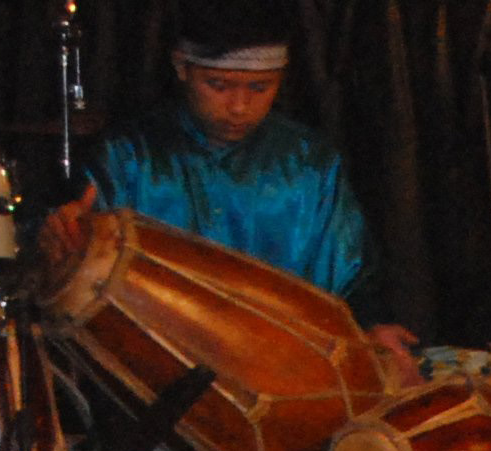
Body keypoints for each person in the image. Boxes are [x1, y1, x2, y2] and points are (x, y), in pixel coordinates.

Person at [81, 0, 414, 355]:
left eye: (259, 88)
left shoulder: (308, 162)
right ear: (181, 66)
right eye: (218, 85)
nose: (239, 107)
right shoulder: (128, 157)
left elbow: (352, 282)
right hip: (160, 364)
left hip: (291, 365)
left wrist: (372, 329)